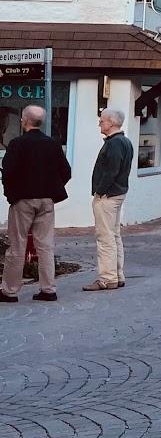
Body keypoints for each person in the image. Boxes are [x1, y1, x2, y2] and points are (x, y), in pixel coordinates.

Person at [0, 105, 72, 303]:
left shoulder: (17, 144)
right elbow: (66, 172)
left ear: (24, 121)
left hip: (22, 200)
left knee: (17, 245)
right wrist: (51, 189)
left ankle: (10, 291)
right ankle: (48, 289)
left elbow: (8, 172)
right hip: (46, 200)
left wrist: (11, 195)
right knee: (46, 246)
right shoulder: (53, 144)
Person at [82, 108, 133, 292]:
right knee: (114, 235)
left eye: (102, 120)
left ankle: (107, 278)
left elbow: (112, 170)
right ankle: (117, 275)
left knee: (105, 237)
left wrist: (101, 191)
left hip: (109, 195)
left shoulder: (114, 143)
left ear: (111, 122)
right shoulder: (124, 141)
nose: (100, 124)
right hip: (117, 193)